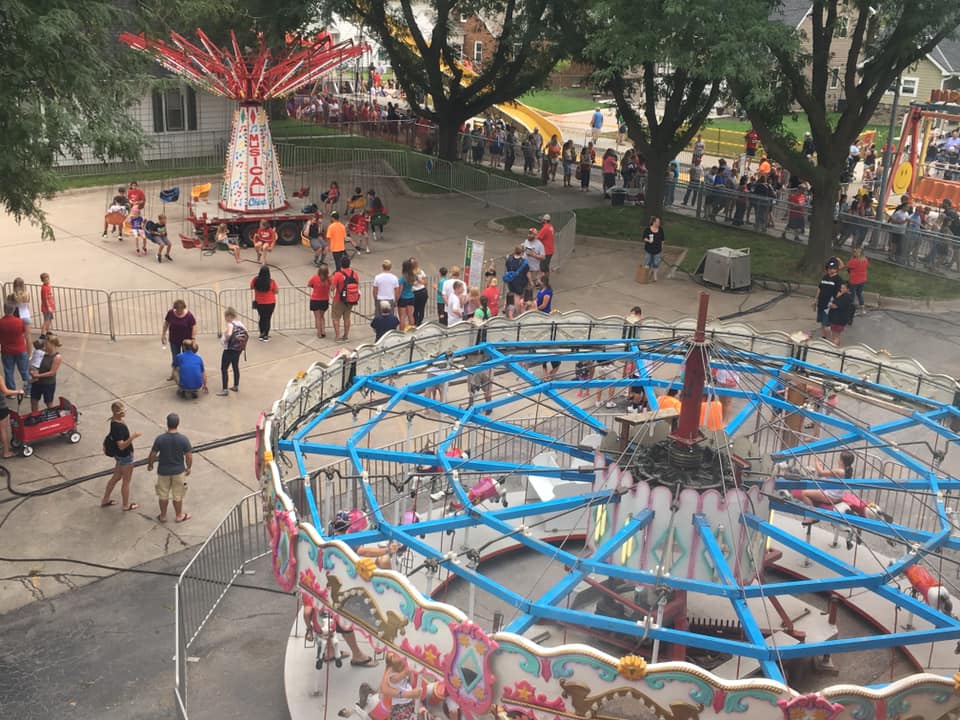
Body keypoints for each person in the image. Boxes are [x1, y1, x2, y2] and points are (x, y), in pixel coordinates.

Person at [147, 413, 193, 524]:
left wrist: (150, 464)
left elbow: (153, 454)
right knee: (177, 495)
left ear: (167, 424)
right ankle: (179, 516)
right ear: (178, 424)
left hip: (163, 472)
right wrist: (188, 467)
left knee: (163, 494)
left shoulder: (160, 439)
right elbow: (189, 456)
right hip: (178, 472)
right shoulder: (183, 439)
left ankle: (163, 516)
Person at [100, 401, 142, 511]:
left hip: (119, 457)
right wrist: (133, 436)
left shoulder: (114, 421)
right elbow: (122, 446)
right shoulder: (118, 427)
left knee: (116, 477)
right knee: (126, 482)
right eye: (123, 411)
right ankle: (126, 505)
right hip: (125, 457)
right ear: (118, 413)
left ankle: (105, 499)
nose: (124, 412)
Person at [162, 299, 197, 381]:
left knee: (187, 358)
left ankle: (186, 374)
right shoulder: (171, 313)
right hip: (174, 340)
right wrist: (163, 334)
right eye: (177, 310)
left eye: (181, 310)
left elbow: (194, 326)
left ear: (184, 308)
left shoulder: (189, 316)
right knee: (175, 357)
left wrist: (193, 339)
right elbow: (166, 323)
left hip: (186, 341)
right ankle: (174, 374)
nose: (179, 311)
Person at [0, 302, 29, 392]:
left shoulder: (1, 322)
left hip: (7, 350)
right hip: (20, 348)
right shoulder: (20, 321)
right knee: (24, 370)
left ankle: (11, 391)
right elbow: (24, 332)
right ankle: (28, 390)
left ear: (4, 310)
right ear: (13, 310)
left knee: (9, 371)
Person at [217, 308, 246, 395]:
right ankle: (236, 385)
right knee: (235, 366)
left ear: (229, 316)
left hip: (229, 349)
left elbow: (229, 334)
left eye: (226, 317)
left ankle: (225, 389)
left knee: (224, 368)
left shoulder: (230, 325)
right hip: (238, 349)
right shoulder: (240, 324)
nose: (225, 319)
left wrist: (226, 338)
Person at [330, 256, 360, 342]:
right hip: (350, 300)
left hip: (339, 299)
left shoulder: (338, 274)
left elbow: (332, 288)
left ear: (341, 264)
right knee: (347, 318)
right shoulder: (355, 274)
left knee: (336, 318)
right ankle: (346, 336)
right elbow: (357, 285)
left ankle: (337, 336)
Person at [29, 334, 62, 412]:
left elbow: (52, 373)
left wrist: (38, 375)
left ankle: (53, 418)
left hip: (48, 383)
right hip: (37, 382)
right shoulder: (43, 353)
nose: (45, 346)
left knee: (48, 403)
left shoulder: (57, 357)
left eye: (47, 344)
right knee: (33, 400)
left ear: (52, 344)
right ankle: (34, 416)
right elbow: (35, 343)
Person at [814, 260, 841, 340]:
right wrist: (816, 299)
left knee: (827, 325)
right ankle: (823, 337)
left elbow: (839, 292)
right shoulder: (825, 277)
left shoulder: (838, 280)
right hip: (821, 303)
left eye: (832, 268)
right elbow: (820, 288)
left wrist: (835, 302)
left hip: (829, 305)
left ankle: (829, 340)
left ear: (836, 269)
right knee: (822, 322)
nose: (830, 270)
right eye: (829, 268)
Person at [251, 265, 278, 341]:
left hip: (259, 302)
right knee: (267, 318)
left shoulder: (255, 280)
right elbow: (276, 291)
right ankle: (266, 334)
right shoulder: (271, 281)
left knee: (261, 317)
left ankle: (261, 333)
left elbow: (251, 287)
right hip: (270, 302)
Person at [0, 375, 22, 459]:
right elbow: (6, 391)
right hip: (1, 407)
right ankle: (6, 452)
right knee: (3, 430)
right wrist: (18, 391)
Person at [827, 281, 855, 346]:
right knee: (836, 335)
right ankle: (836, 348)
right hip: (840, 319)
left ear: (848, 289)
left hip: (838, 319)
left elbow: (834, 306)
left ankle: (834, 349)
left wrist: (836, 298)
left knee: (835, 336)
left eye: (843, 288)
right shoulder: (848, 297)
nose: (841, 289)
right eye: (841, 288)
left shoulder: (845, 297)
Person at [308, 264, 331, 339]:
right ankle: (323, 331)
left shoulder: (315, 278)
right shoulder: (329, 279)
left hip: (315, 300)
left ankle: (319, 333)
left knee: (317, 317)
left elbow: (309, 284)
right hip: (324, 300)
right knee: (322, 316)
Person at [847, 246, 869, 316]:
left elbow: (848, 267)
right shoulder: (865, 260)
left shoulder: (853, 261)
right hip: (862, 280)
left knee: (852, 296)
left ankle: (850, 311)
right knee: (859, 294)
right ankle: (862, 310)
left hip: (854, 280)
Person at [642, 216, 664, 283]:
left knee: (656, 263)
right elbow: (644, 238)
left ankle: (655, 276)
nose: (659, 223)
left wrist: (662, 247)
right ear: (654, 222)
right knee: (648, 262)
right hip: (649, 249)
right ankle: (645, 276)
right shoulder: (647, 229)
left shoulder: (660, 229)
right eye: (658, 222)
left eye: (659, 222)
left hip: (657, 250)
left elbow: (662, 240)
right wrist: (648, 240)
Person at [11, 277, 32, 345]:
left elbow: (12, 306)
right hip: (26, 315)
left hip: (17, 317)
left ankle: (21, 352)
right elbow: (27, 302)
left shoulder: (14, 295)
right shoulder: (27, 293)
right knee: (28, 337)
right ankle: (29, 354)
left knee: (18, 337)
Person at [397, 260, 416, 331]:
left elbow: (400, 291)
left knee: (402, 317)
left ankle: (402, 332)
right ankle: (412, 329)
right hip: (411, 296)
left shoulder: (402, 278)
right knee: (410, 315)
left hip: (403, 298)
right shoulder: (413, 276)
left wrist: (396, 300)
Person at [410, 257, 428, 326]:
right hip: (422, 292)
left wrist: (418, 280)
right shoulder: (421, 271)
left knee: (416, 309)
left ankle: (417, 322)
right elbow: (425, 282)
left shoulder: (414, 273)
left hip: (417, 292)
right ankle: (419, 322)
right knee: (420, 309)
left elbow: (424, 282)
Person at [39, 273, 54, 339]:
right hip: (46, 308)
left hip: (50, 306)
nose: (47, 281)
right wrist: (49, 307)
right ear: (43, 281)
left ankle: (47, 331)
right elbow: (45, 299)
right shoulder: (44, 288)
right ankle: (42, 334)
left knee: (49, 319)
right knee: (46, 320)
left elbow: (49, 296)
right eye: (46, 280)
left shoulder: (48, 286)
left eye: (48, 279)